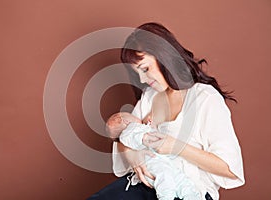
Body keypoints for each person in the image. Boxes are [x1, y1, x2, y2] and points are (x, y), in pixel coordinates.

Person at [88, 22, 244, 200]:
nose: (142, 79)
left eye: (145, 69)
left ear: (164, 57)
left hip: (187, 190)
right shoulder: (149, 97)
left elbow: (230, 169)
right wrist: (133, 155)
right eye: (137, 73)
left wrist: (176, 147)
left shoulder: (204, 98)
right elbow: (127, 135)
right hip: (146, 184)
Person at [105, 111, 201, 200]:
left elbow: (146, 133)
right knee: (165, 181)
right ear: (124, 120)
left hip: (162, 162)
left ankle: (192, 196)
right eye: (133, 116)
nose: (137, 118)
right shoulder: (129, 131)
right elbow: (135, 137)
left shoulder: (136, 129)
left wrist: (150, 126)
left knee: (180, 180)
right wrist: (144, 137)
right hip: (153, 165)